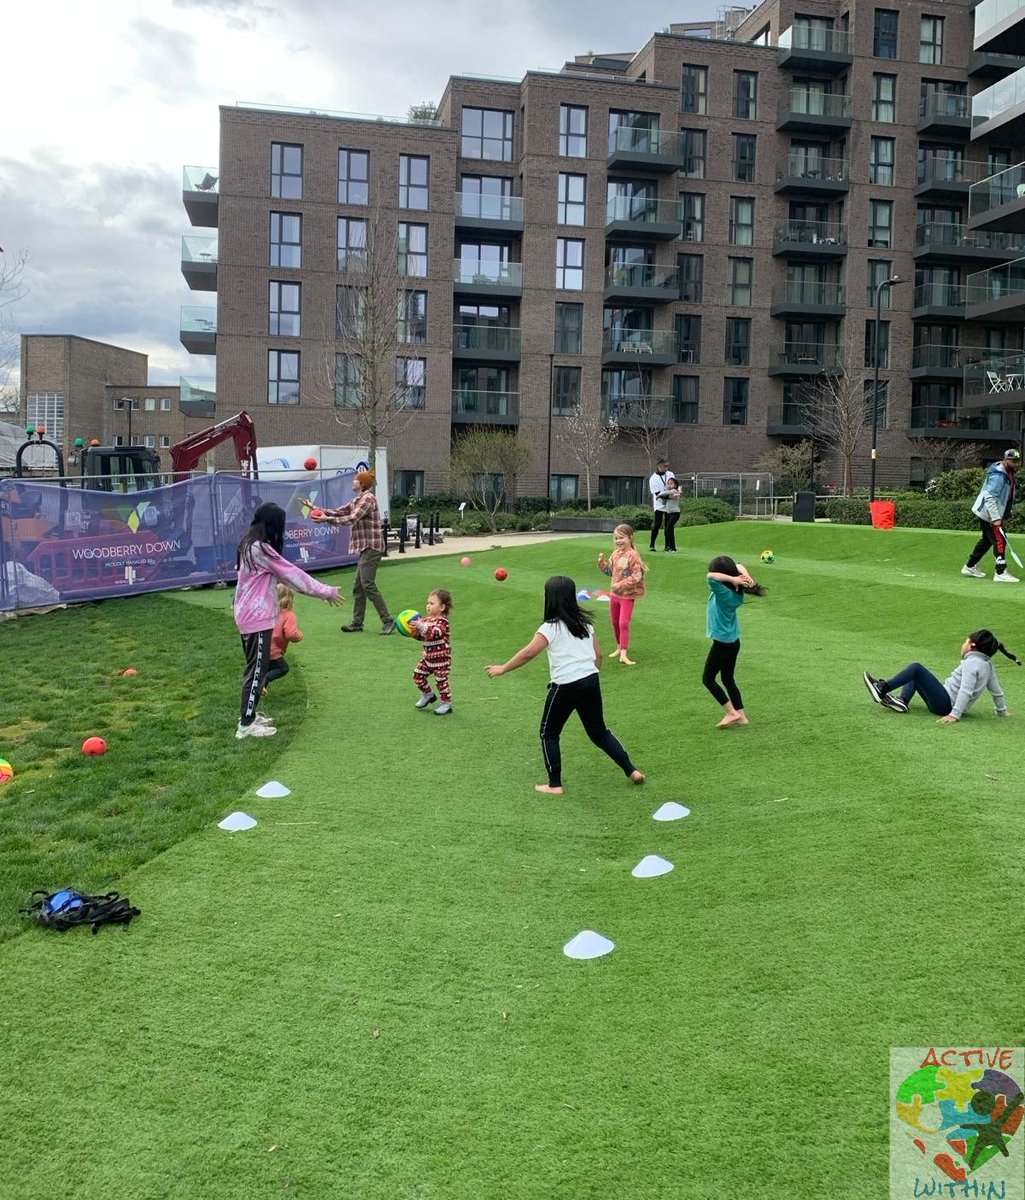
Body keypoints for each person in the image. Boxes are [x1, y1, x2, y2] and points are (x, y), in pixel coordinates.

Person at [485, 575, 645, 795]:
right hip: (590, 680)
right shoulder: (585, 623)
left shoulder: (549, 628)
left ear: (551, 599)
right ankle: (632, 770)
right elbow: (598, 655)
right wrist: (589, 675)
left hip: (565, 685)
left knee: (548, 733)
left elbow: (529, 652)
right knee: (599, 733)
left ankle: (554, 784)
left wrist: (503, 668)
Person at [234, 502, 343, 740]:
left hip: (247, 615)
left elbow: (286, 577)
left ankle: (249, 714)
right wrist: (325, 591)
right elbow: (292, 573)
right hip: (257, 618)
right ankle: (245, 725)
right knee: (256, 671)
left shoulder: (248, 545)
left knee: (255, 668)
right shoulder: (260, 549)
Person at [863, 629, 1019, 721]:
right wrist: (1002, 711)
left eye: (965, 642)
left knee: (916, 668)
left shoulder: (972, 664)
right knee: (917, 673)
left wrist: (954, 714)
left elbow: (966, 690)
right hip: (945, 701)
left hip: (946, 705)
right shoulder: (987, 666)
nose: (962, 645)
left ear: (972, 646)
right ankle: (901, 701)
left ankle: (882, 689)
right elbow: (997, 691)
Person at [313, 469, 396, 631]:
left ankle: (388, 620)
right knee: (359, 587)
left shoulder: (368, 499)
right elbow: (340, 511)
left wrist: (326, 519)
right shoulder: (357, 500)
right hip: (366, 548)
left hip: (373, 547)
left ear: (362, 484)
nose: (353, 482)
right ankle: (357, 623)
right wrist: (316, 509)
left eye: (355, 480)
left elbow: (352, 518)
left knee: (367, 584)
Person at [703, 555, 767, 728]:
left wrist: (734, 578)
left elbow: (710, 576)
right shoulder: (736, 591)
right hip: (733, 642)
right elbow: (738, 565)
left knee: (708, 679)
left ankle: (731, 713)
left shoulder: (722, 591)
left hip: (722, 644)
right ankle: (742, 715)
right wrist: (746, 579)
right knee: (728, 678)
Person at [962, 448, 1021, 583]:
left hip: (990, 513)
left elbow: (1006, 495)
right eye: (1013, 461)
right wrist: (995, 518)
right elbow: (990, 497)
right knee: (1000, 539)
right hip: (988, 513)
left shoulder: (1008, 472)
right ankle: (1000, 572)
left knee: (987, 540)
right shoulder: (999, 475)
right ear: (1006, 460)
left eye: (1017, 461)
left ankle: (969, 566)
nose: (1016, 464)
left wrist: (1006, 511)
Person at [597, 523, 648, 666]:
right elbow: (610, 572)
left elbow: (636, 576)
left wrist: (619, 585)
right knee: (614, 622)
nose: (619, 541)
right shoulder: (615, 554)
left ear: (630, 538)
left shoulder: (633, 555)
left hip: (627, 595)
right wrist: (602, 564)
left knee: (623, 623)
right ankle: (619, 647)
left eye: (621, 538)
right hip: (614, 595)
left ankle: (624, 652)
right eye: (616, 538)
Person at [412, 588, 454, 716]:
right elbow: (423, 636)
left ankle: (446, 704)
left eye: (431, 603)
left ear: (442, 607)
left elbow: (435, 633)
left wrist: (421, 626)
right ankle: (428, 695)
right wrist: (414, 632)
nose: (428, 606)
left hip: (441, 659)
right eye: (427, 603)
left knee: (441, 681)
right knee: (417, 676)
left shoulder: (443, 622)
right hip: (428, 658)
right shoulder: (425, 620)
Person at [263, 584, 303, 692]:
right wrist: (300, 635)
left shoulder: (268, 611)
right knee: (283, 668)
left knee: (267, 668)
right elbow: (291, 634)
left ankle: (260, 688)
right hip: (273, 650)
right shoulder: (289, 615)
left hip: (261, 645)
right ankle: (263, 682)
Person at [648, 457, 673, 552]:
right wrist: (669, 496)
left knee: (668, 526)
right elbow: (657, 494)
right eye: (664, 466)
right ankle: (652, 545)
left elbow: (674, 486)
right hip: (659, 505)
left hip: (669, 505)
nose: (666, 468)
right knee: (657, 524)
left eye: (667, 466)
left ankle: (668, 546)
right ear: (659, 466)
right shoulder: (653, 479)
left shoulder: (670, 474)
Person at [663, 476, 682, 553]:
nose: (669, 485)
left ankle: (673, 548)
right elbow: (666, 495)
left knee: (669, 528)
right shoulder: (672, 493)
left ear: (675, 485)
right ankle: (670, 547)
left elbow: (666, 493)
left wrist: (658, 495)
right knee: (669, 530)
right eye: (668, 484)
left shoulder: (674, 491)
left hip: (675, 513)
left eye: (671, 484)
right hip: (669, 513)